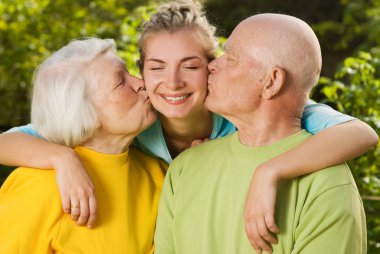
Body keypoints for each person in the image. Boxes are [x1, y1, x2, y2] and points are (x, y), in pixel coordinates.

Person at [0, 0, 377, 250]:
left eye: (192, 65)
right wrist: (61, 159)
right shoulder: (130, 133)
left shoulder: (255, 120)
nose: (171, 83)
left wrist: (268, 170)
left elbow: (361, 133)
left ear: (212, 67)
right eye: (153, 68)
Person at [153, 13, 367, 254]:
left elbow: (362, 134)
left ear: (271, 82)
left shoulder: (327, 184)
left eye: (231, 58)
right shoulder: (183, 167)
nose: (212, 65)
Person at [0, 38, 166, 253]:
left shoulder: (160, 172)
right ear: (84, 113)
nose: (140, 82)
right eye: (120, 81)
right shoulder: (38, 186)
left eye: (128, 72)